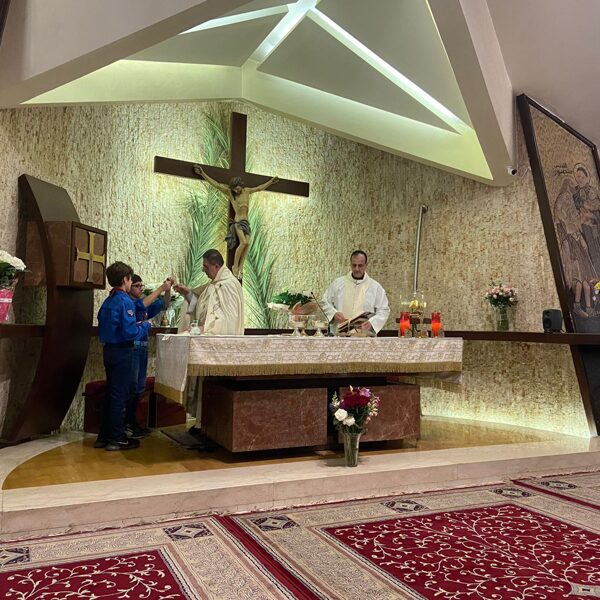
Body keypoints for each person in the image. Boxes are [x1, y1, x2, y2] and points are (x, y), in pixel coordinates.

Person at [174, 249, 244, 438]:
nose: (203, 270)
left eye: (206, 266)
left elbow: (228, 320)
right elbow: (200, 305)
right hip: (206, 344)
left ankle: (213, 428)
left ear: (216, 266)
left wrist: (205, 329)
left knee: (213, 386)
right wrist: (188, 293)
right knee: (203, 384)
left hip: (220, 348)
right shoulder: (213, 285)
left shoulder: (229, 285)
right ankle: (201, 424)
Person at [95, 261, 151, 451]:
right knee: (120, 396)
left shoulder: (108, 300)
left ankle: (104, 436)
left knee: (111, 394)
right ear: (125, 279)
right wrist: (145, 326)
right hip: (122, 351)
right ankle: (117, 439)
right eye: (130, 280)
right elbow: (129, 332)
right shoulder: (125, 301)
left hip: (109, 350)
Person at [193, 164, 279, 279]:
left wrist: (271, 182)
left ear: (241, 185)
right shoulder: (231, 193)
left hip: (246, 223)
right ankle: (235, 266)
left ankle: (241, 267)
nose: (236, 191)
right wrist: (203, 173)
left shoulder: (247, 191)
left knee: (247, 244)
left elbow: (259, 188)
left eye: (237, 188)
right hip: (238, 222)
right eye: (234, 189)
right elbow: (216, 185)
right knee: (243, 243)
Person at [126, 274, 174, 439]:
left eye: (142, 286)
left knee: (140, 387)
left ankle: (133, 422)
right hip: (132, 348)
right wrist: (161, 288)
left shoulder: (143, 303)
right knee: (131, 386)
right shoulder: (128, 303)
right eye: (137, 286)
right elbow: (141, 305)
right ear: (129, 286)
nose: (141, 289)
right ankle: (127, 423)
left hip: (142, 348)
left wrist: (168, 289)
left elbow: (165, 304)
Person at [321, 250, 390, 334]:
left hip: (365, 336)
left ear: (366, 265)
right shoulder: (338, 283)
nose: (357, 269)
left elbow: (384, 310)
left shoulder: (375, 287)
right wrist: (333, 314)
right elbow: (324, 302)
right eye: (354, 265)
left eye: (360, 265)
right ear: (350, 264)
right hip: (339, 336)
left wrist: (372, 323)